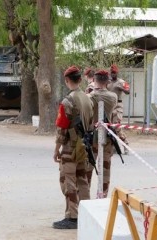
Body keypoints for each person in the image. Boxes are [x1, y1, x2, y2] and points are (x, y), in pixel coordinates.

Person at [52, 66, 93, 229]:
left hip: (70, 146)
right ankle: (86, 213)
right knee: (82, 179)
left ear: (67, 81)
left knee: (68, 180)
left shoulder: (67, 101)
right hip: (84, 145)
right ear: (80, 80)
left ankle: (72, 216)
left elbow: (62, 129)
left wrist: (57, 149)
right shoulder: (88, 99)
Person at [86, 69, 117, 198]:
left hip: (91, 135)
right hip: (107, 135)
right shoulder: (113, 97)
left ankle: (84, 195)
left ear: (93, 80)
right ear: (107, 81)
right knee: (105, 168)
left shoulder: (89, 97)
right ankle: (103, 196)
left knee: (87, 167)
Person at [107, 64, 130, 154]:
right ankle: (113, 146)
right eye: (112, 73)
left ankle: (125, 144)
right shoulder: (107, 82)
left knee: (116, 126)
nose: (113, 75)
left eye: (114, 73)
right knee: (109, 127)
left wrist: (120, 88)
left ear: (117, 73)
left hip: (118, 106)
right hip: (109, 106)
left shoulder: (121, 82)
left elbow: (128, 91)